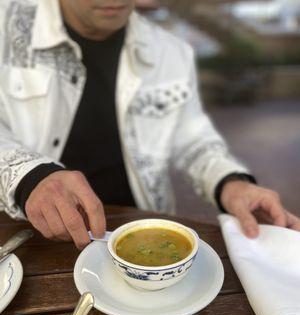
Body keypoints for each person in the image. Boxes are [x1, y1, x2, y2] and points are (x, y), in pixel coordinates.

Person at [0, 0, 299, 250]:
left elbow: (193, 140)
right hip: (24, 237)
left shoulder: (169, 51)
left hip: (142, 229)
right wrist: (29, 177)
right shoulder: (6, 26)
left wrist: (231, 183)